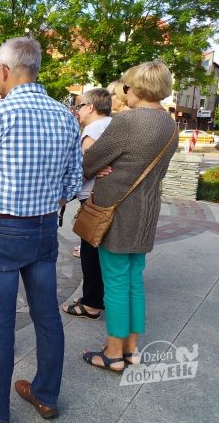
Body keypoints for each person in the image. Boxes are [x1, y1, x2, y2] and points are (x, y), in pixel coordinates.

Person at [0, 37, 82, 423]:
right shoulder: (65, 115)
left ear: (6, 71)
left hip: (1, 230)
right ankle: (45, 395)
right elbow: (73, 183)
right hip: (44, 229)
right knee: (47, 317)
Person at [81, 61, 178, 373]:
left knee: (116, 282)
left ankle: (113, 353)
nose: (124, 91)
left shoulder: (128, 122)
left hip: (117, 212)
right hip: (147, 211)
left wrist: (102, 166)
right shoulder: (170, 125)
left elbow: (89, 162)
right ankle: (132, 350)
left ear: (138, 88)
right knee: (134, 279)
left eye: (126, 86)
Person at [62, 88, 112, 320]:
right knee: (102, 252)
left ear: (91, 107)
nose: (78, 110)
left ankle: (91, 303)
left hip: (91, 200)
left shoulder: (93, 129)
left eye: (80, 106)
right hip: (107, 197)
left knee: (90, 253)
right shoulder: (114, 124)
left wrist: (63, 194)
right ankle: (99, 297)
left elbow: (84, 168)